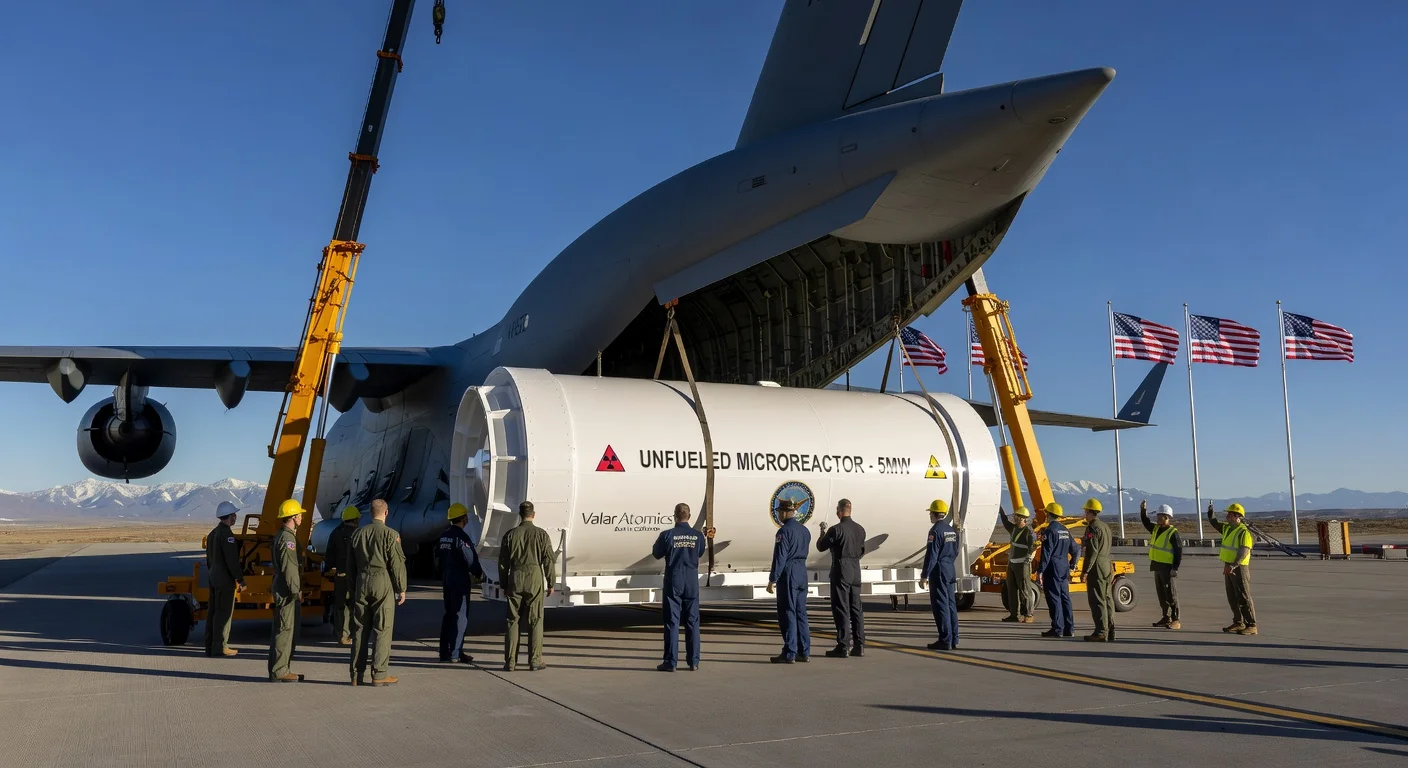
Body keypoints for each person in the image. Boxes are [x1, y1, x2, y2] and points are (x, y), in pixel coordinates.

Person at [348, 498, 408, 686]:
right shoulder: (391, 535)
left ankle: (356, 675)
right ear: (386, 513)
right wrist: (401, 588)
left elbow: (350, 566)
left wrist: (353, 587)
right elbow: (397, 565)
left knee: (359, 629)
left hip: (362, 581)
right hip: (382, 581)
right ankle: (379, 674)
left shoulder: (358, 534)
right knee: (382, 629)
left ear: (369, 513)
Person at [650, 502, 714, 672]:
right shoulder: (698, 536)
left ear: (674, 516)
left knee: (672, 622)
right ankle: (694, 661)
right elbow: (700, 552)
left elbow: (656, 553)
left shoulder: (667, 535)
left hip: (674, 579)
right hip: (691, 580)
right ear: (689, 516)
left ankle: (671, 662)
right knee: (693, 621)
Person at [499, 500, 556, 671]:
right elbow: (548, 560)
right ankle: (535, 661)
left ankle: (510, 662)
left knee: (512, 621)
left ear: (520, 515)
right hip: (534, 578)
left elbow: (502, 563)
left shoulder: (510, 535)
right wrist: (551, 581)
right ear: (533, 514)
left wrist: (504, 584)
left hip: (515, 577)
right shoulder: (541, 535)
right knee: (536, 620)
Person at [816, 498, 867, 658]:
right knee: (856, 608)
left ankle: (843, 645)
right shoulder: (860, 529)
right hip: (855, 568)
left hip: (841, 568)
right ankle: (859, 645)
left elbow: (821, 546)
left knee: (841, 608)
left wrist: (822, 533)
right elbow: (862, 550)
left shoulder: (836, 529)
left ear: (839, 510)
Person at [438, 502, 484, 664]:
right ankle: (455, 653)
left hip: (447, 577)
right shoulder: (461, 537)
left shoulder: (444, 535)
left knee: (449, 614)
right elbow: (470, 559)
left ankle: (444, 652)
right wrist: (480, 574)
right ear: (464, 518)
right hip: (459, 579)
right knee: (460, 616)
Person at [767, 498, 812, 664]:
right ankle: (804, 651)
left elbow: (780, 557)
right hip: (802, 570)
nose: (779, 515)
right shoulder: (805, 531)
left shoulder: (783, 532)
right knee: (801, 612)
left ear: (786, 512)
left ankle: (789, 651)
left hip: (790, 571)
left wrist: (773, 579)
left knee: (788, 611)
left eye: (779, 512)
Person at [268, 499, 304, 683]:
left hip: (282, 587)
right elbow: (290, 568)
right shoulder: (288, 539)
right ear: (293, 516)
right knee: (285, 629)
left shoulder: (281, 535)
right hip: (287, 590)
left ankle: (280, 668)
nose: (301, 517)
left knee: (282, 629)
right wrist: (296, 591)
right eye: (299, 514)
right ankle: (280, 671)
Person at [1208, 502, 1257, 635]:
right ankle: (1238, 622)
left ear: (1237, 516)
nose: (1227, 516)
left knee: (1243, 596)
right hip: (1228, 566)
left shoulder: (1244, 532)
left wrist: (1233, 565)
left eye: (1230, 514)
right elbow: (1214, 523)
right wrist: (1210, 511)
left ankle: (1251, 624)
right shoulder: (1227, 528)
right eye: (1228, 514)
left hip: (1238, 567)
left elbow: (1244, 550)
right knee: (1232, 597)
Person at [204, 501, 244, 658]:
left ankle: (210, 645)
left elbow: (208, 559)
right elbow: (231, 560)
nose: (235, 518)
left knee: (213, 612)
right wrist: (240, 579)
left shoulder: (213, 533)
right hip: (224, 580)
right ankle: (220, 646)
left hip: (213, 577)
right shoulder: (227, 534)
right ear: (231, 516)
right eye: (234, 515)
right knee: (223, 613)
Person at [919, 499, 960, 650]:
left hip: (940, 570)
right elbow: (955, 551)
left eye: (930, 513)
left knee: (941, 605)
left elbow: (932, 555)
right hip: (950, 568)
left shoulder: (935, 531)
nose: (930, 515)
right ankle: (954, 638)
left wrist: (924, 575)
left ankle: (945, 639)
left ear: (934, 514)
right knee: (951, 604)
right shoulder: (951, 530)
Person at [1140, 500, 1183, 629]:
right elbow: (1145, 522)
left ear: (1167, 518)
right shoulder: (1156, 529)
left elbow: (1178, 551)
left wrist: (1175, 568)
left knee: (1171, 594)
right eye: (1158, 516)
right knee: (1162, 595)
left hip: (1167, 567)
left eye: (1161, 517)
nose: (1158, 519)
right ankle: (1166, 617)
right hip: (1157, 565)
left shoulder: (1172, 533)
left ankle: (1176, 620)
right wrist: (1143, 510)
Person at [1037, 502, 1077, 639]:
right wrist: (1073, 564)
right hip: (1064, 568)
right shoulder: (1065, 530)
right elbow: (1076, 549)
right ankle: (1069, 628)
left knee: (1054, 598)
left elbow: (1046, 553)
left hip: (1052, 569)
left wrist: (1040, 571)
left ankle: (1057, 628)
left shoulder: (1050, 531)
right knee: (1065, 597)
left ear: (1049, 514)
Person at [1080, 498, 1115, 642]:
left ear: (1090, 512)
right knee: (1107, 599)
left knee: (1097, 600)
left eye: (1086, 511)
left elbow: (1092, 552)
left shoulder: (1093, 528)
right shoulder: (1105, 526)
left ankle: (1101, 631)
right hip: (1107, 565)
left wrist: (1085, 571)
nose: (1084, 514)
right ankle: (1110, 629)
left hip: (1097, 567)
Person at [324, 506, 360, 646]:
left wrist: (331, 567)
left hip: (340, 575)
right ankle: (353, 634)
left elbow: (329, 556)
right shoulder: (359, 533)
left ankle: (341, 635)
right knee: (354, 605)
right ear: (356, 519)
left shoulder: (335, 533)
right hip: (355, 576)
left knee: (340, 606)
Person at [997, 506, 1035, 624]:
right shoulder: (1013, 529)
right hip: (1012, 563)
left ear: (1022, 518)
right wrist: (999, 508)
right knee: (1011, 590)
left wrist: (1029, 557)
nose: (1014, 517)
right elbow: (1004, 520)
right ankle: (1014, 615)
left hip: (1022, 565)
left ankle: (1028, 614)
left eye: (1016, 516)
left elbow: (1033, 546)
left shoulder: (1028, 532)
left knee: (1025, 590)